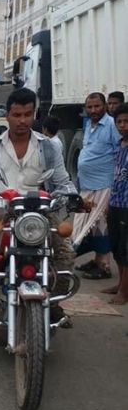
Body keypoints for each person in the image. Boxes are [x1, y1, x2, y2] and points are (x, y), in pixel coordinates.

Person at [0, 88, 78, 326]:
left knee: (65, 254)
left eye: (27, 114)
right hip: (1, 213)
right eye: (17, 114)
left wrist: (74, 197)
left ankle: (54, 303)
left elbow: (63, 181)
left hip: (41, 214)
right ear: (7, 116)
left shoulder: (49, 147)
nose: (22, 120)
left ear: (34, 115)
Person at [72, 93, 121, 280]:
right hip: (87, 186)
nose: (93, 110)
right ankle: (97, 260)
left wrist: (115, 188)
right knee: (86, 225)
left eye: (97, 106)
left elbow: (119, 154)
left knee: (100, 225)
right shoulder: (89, 125)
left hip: (104, 186)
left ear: (105, 106)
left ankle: (104, 266)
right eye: (89, 107)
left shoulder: (111, 125)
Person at [101, 103, 128, 304]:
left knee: (126, 250)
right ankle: (120, 285)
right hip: (116, 202)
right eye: (119, 122)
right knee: (117, 248)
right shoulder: (119, 146)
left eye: (127, 121)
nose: (123, 126)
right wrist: (109, 203)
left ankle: (125, 292)